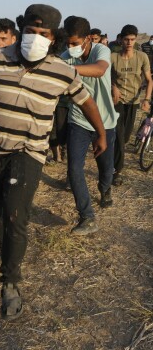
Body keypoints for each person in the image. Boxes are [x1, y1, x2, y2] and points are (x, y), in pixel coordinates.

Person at [0, 4, 106, 321]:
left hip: (28, 153)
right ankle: (7, 254)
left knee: (16, 216)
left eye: (43, 34)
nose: (35, 38)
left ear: (54, 37)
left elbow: (87, 102)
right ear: (22, 30)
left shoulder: (63, 71)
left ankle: (11, 281)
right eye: (30, 31)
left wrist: (100, 134)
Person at [62, 16, 118, 235]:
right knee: (74, 168)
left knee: (105, 167)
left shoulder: (100, 51)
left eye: (74, 43)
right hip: (79, 119)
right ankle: (87, 217)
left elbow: (100, 69)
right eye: (67, 43)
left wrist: (68, 70)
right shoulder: (66, 57)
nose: (70, 48)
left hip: (105, 120)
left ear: (87, 39)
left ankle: (105, 189)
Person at [110, 24, 153, 185]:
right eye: (126, 39)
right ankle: (116, 171)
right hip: (117, 101)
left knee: (126, 136)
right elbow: (106, 76)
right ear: (121, 40)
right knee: (120, 136)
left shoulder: (142, 57)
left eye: (132, 39)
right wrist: (113, 87)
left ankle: (114, 155)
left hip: (133, 101)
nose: (129, 42)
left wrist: (146, 99)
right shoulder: (113, 57)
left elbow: (149, 80)